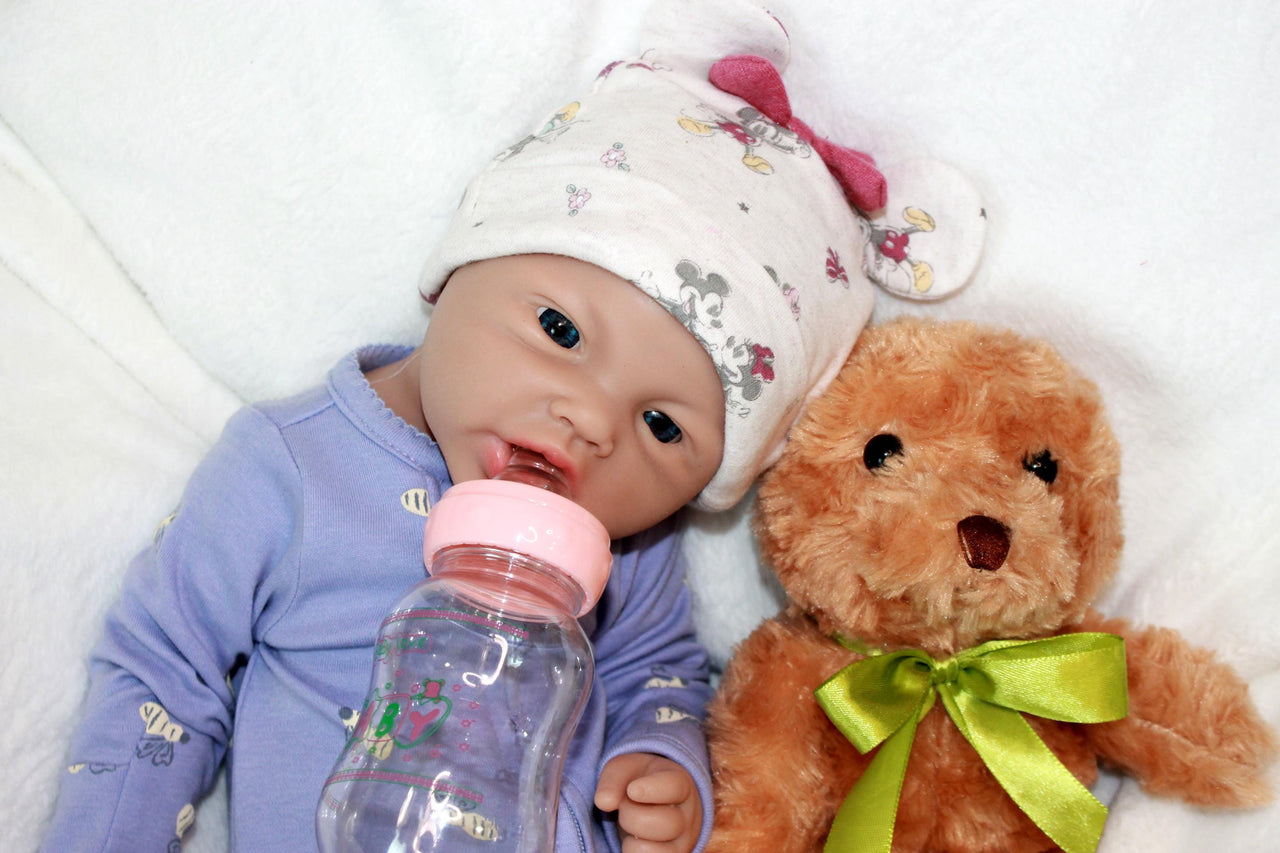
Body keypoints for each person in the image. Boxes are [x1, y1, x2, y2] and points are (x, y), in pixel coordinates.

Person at [39, 0, 888, 849]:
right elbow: (162, 676)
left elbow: (655, 674)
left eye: (664, 426)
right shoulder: (293, 468)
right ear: (452, 278)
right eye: (561, 332)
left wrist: (664, 758)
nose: (591, 420)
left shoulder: (636, 545)